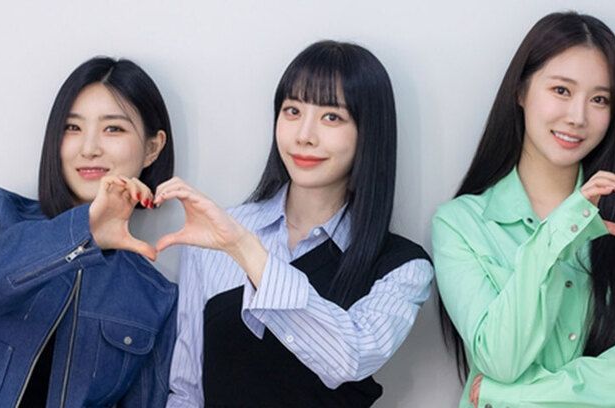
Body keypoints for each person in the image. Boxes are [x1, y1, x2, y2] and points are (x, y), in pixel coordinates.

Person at [164, 40, 433, 407]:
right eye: (292, 111)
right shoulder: (214, 236)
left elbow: (350, 357)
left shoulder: (403, 267)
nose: (304, 135)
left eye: (331, 117)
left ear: (368, 132)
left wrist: (246, 250)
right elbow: (186, 390)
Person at [432, 11, 615, 407]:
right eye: (561, 90)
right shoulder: (461, 224)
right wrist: (563, 227)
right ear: (521, 91)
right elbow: (501, 359)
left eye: (599, 99)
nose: (577, 117)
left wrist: (514, 397)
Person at [0, 57, 177, 407]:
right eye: (72, 127)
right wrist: (85, 230)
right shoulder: (0, 214)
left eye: (113, 129)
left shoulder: (156, 297)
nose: (89, 148)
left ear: (152, 148)